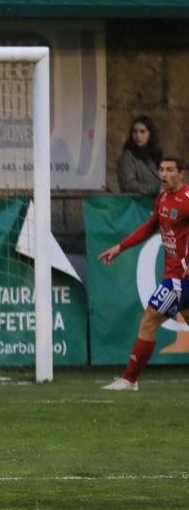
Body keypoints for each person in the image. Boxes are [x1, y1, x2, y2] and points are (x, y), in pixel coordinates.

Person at [95, 155, 189, 391]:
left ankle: (129, 379)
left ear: (182, 174)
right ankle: (130, 380)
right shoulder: (163, 198)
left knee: (148, 321)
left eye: (169, 170)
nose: (164, 174)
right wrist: (119, 247)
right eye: (161, 169)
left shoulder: (187, 200)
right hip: (175, 277)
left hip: (180, 279)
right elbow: (150, 227)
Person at [118, 116, 165, 196]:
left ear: (150, 134)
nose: (138, 135)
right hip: (138, 204)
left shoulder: (155, 155)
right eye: (135, 132)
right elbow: (128, 185)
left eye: (142, 132)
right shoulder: (128, 156)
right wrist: (155, 189)